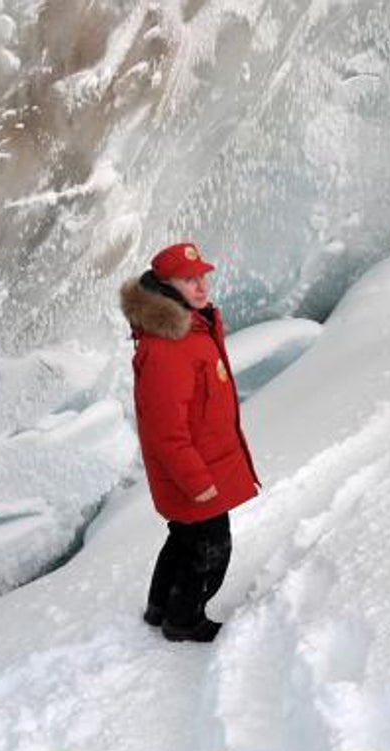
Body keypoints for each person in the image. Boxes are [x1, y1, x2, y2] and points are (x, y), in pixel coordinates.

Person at [119, 242, 260, 643]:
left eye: (202, 277)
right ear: (165, 286)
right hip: (195, 474)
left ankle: (160, 607)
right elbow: (167, 431)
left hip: (201, 465)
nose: (200, 287)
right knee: (211, 549)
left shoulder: (190, 328)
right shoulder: (169, 347)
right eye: (188, 280)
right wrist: (197, 482)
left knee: (184, 538)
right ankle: (184, 620)